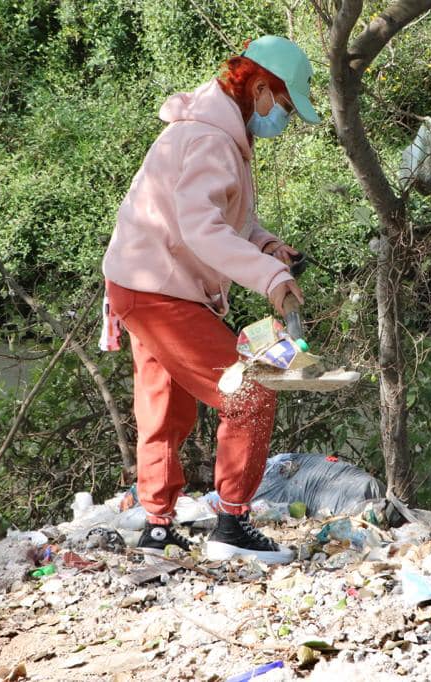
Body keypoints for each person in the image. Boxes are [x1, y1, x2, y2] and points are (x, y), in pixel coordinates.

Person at [101, 36, 320, 564]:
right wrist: (270, 277)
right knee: (249, 394)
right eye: (284, 105)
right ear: (261, 87)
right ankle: (232, 524)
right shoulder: (212, 139)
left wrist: (266, 245)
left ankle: (157, 528)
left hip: (139, 282)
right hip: (160, 288)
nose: (282, 119)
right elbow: (202, 230)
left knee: (164, 407)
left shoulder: (214, 129)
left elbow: (224, 218)